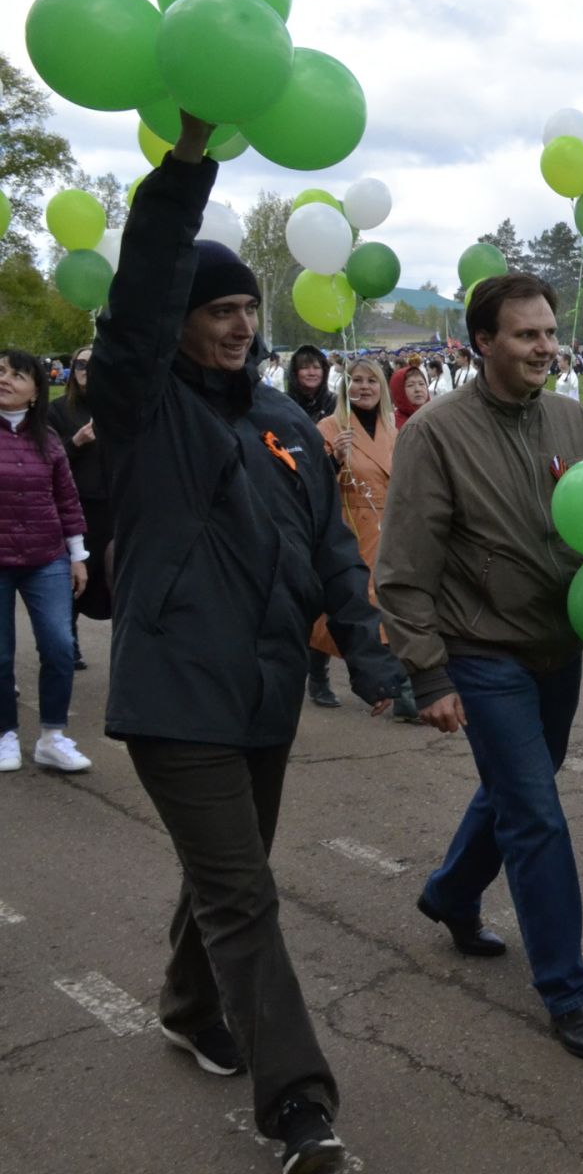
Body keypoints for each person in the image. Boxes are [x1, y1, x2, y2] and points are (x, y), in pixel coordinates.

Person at [92, 116, 405, 1173]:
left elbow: (330, 552)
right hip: (174, 690)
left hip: (265, 691)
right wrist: (184, 174)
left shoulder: (284, 420)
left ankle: (188, 1002)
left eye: (244, 310)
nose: (235, 325)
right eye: (215, 310)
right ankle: (302, 1110)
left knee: (231, 874)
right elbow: (132, 305)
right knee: (242, 892)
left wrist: (370, 656)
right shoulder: (141, 406)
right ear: (180, 322)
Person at [377, 272, 583, 1062]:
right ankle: (567, 991)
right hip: (481, 650)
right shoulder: (435, 434)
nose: (544, 346)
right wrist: (430, 675)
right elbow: (403, 568)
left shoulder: (576, 420)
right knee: (536, 813)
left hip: (560, 643)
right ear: (483, 342)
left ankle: (449, 892)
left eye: (549, 331)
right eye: (525, 334)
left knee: (525, 782)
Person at [0, 349, 91, 774]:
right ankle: (6, 735)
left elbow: (67, 500)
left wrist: (77, 556)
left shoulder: (49, 440)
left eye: (17, 375)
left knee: (59, 646)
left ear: (37, 391)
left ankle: (52, 737)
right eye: (1, 372)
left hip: (47, 558)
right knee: (1, 656)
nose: (5, 379)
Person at [313, 359, 417, 723]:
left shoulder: (394, 427)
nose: (363, 387)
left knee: (390, 603)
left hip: (391, 526)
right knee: (344, 602)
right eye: (356, 380)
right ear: (345, 386)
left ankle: (402, 691)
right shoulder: (330, 427)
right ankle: (317, 670)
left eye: (371, 381)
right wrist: (335, 460)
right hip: (350, 527)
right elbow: (311, 482)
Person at [48, 345, 112, 660]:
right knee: (74, 579)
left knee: (114, 579)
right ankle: (68, 643)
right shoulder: (58, 410)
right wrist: (75, 442)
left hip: (113, 507)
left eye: (94, 364)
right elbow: (44, 456)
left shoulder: (115, 409)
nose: (87, 370)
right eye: (81, 364)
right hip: (77, 508)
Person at [285, 344, 334, 421]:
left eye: (317, 367)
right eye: (305, 368)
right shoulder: (284, 403)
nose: (312, 373)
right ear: (295, 372)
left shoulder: (335, 403)